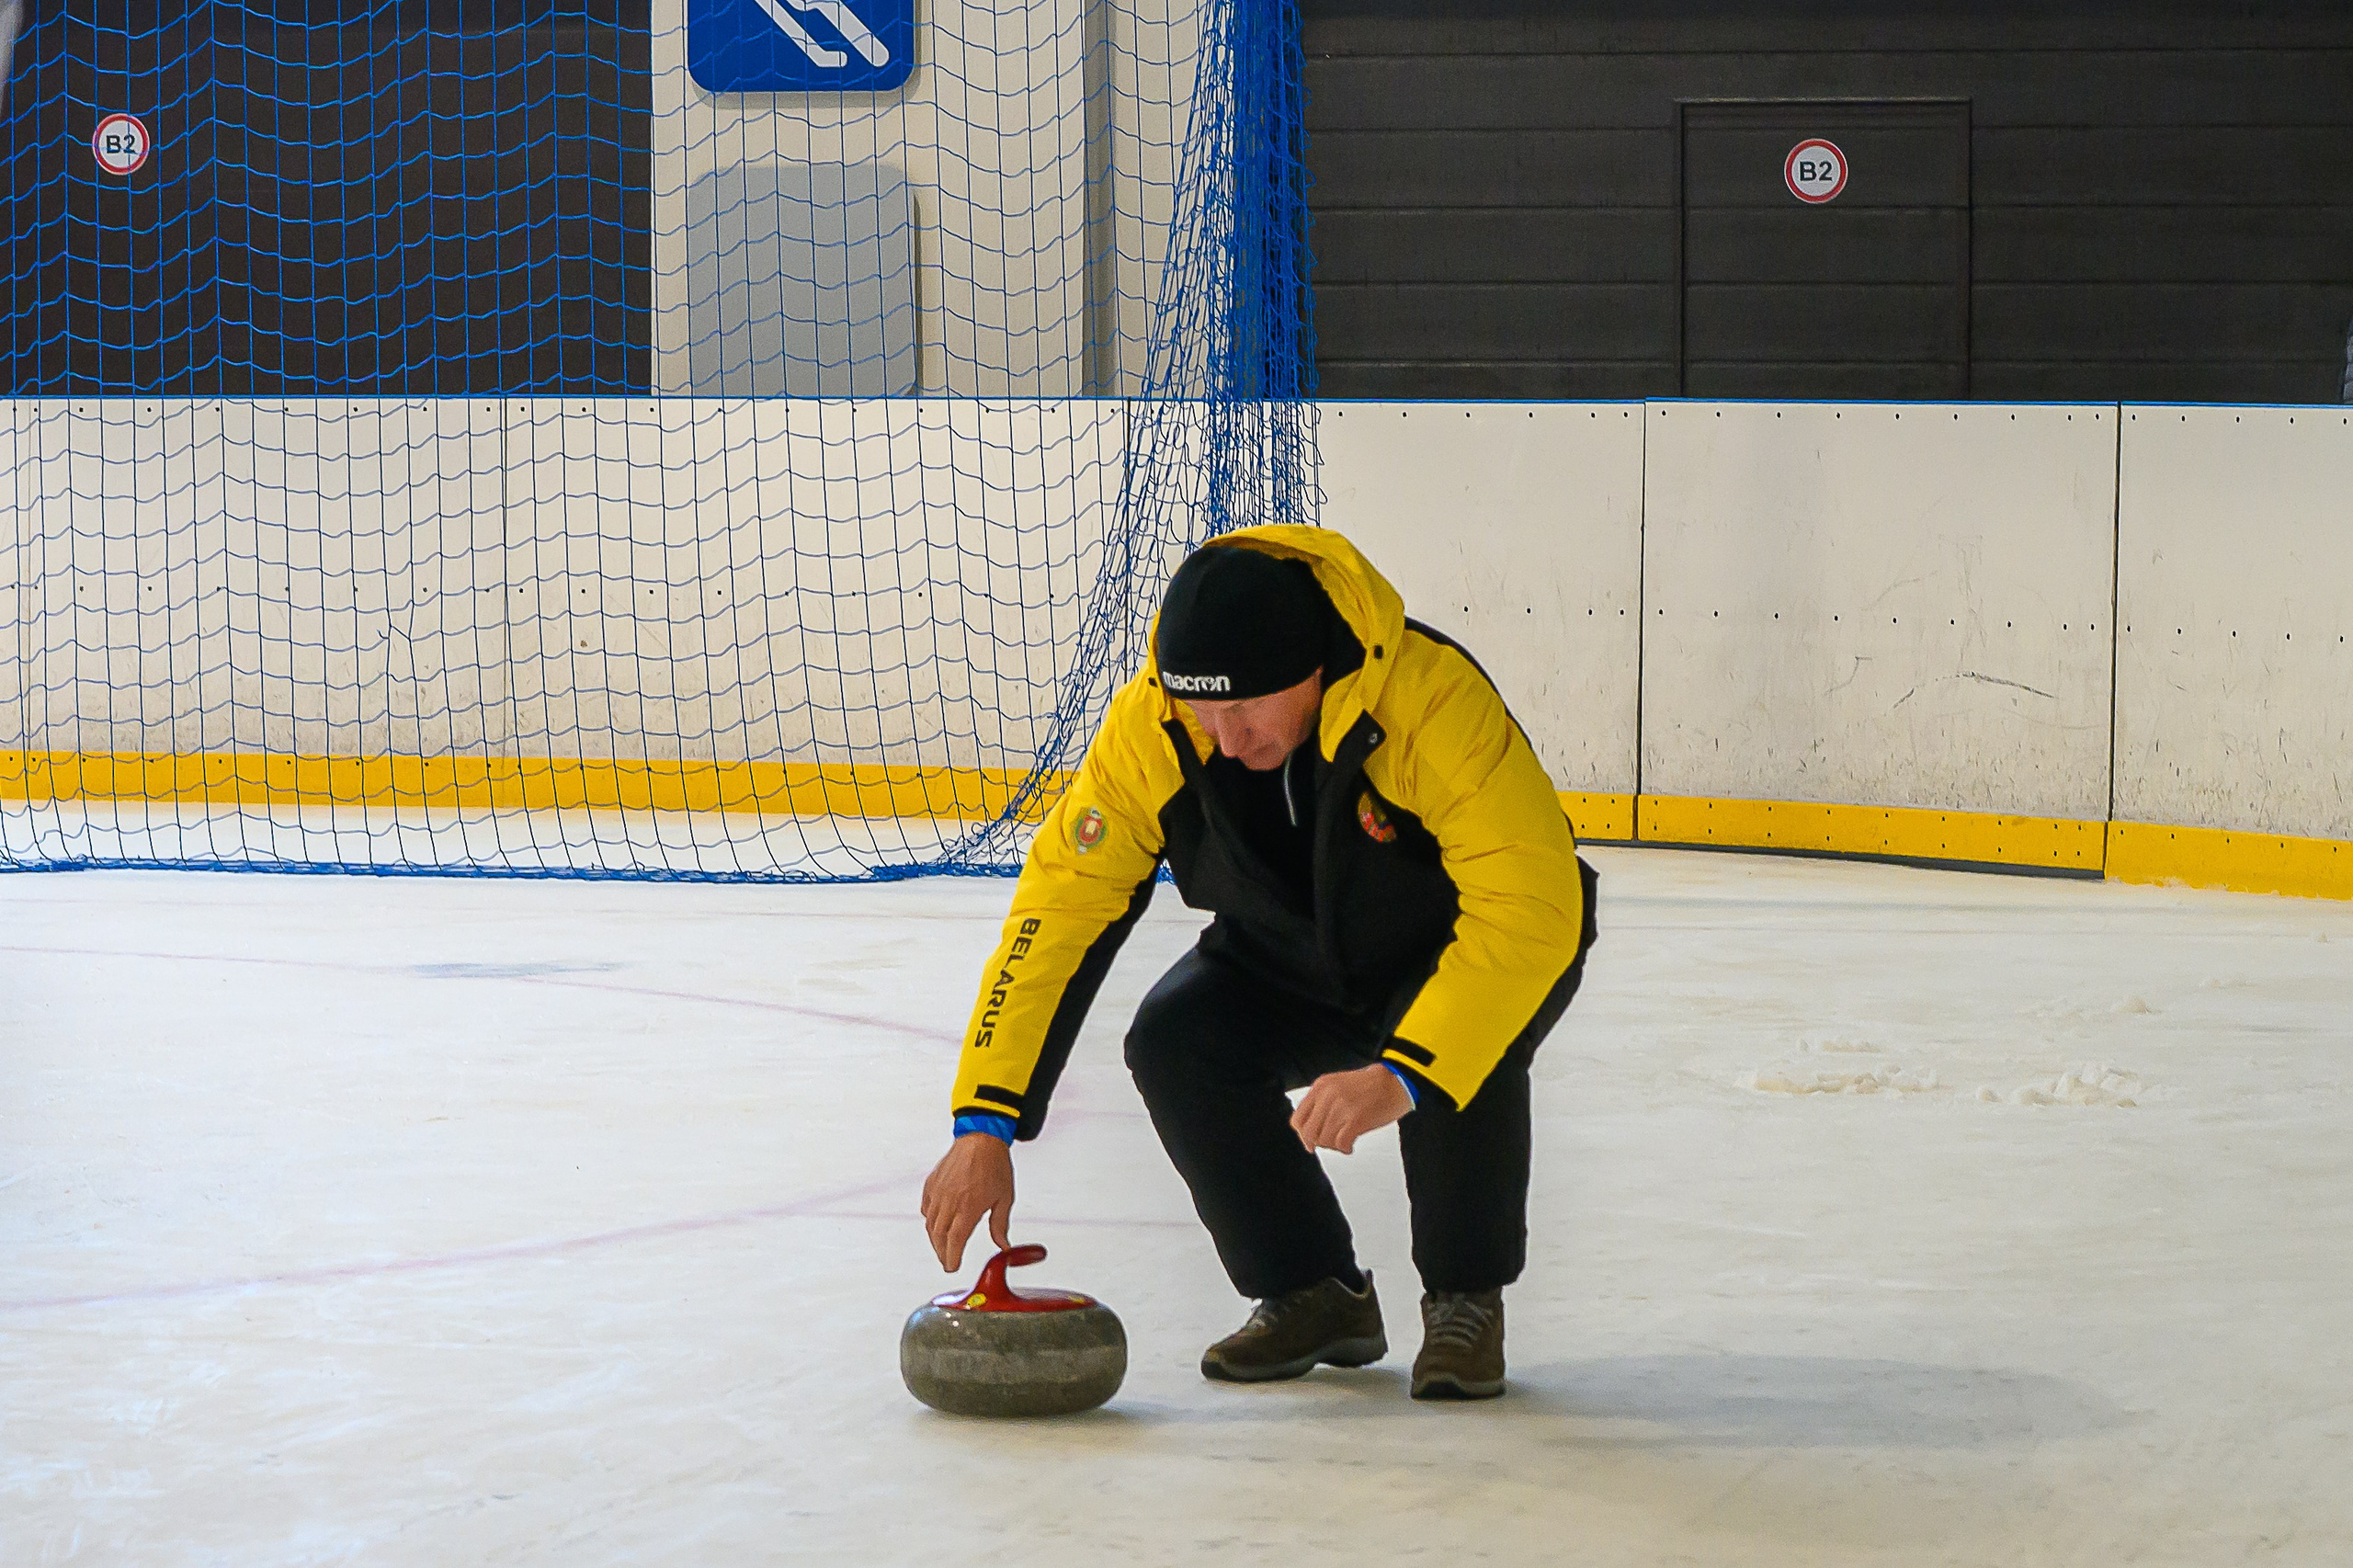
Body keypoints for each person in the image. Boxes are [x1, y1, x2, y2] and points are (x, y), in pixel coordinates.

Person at [919, 524, 1597, 1401]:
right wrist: (985, 1119)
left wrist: (1404, 1071)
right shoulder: (1156, 733)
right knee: (1176, 1037)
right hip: (1290, 952)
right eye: (1205, 712)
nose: (1225, 740)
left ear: (1311, 668)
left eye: (1245, 712)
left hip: (1456, 947)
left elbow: (1529, 909)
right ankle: (1312, 1292)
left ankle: (1464, 1298)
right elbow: (1057, 913)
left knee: (1463, 1044)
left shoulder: (1430, 703)